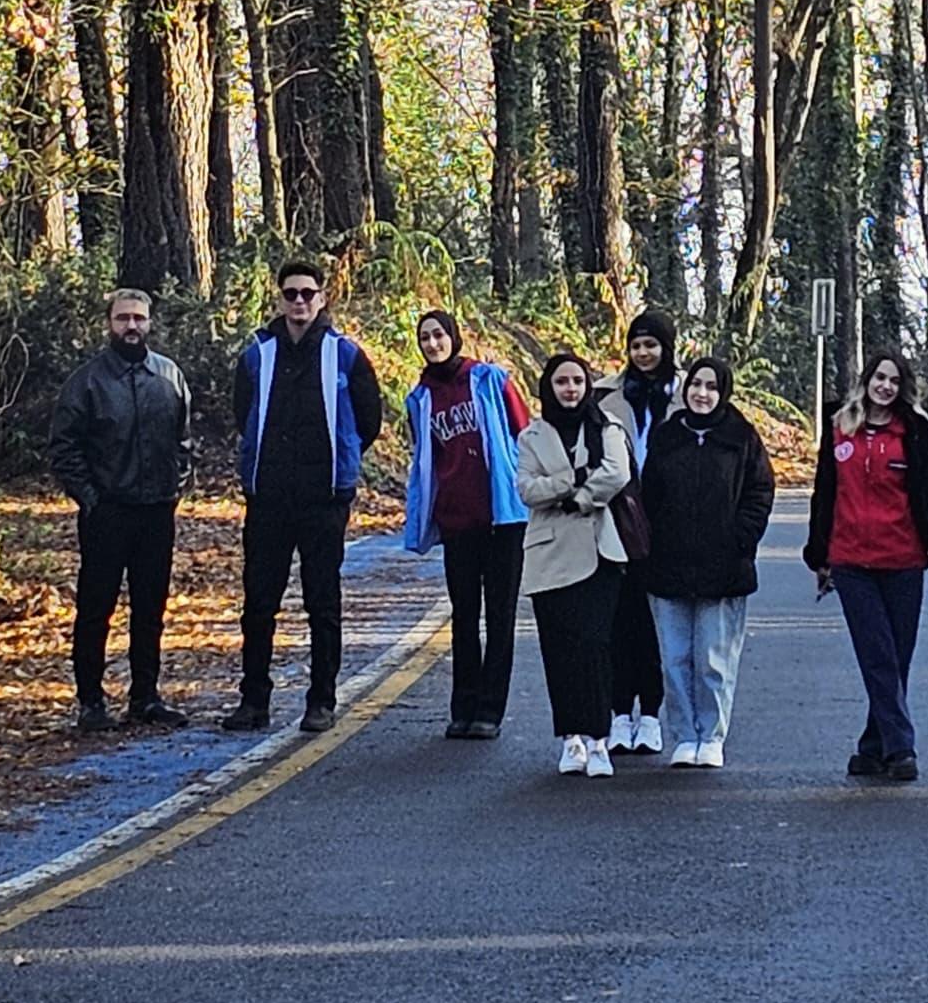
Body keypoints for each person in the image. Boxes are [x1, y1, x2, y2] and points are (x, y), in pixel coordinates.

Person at [218, 259, 385, 736]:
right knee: (258, 603)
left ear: (322, 297)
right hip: (267, 498)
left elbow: (367, 420)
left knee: (322, 602)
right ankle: (254, 702)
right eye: (290, 293)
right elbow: (243, 412)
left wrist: (340, 462)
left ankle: (322, 700)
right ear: (279, 298)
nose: (298, 302)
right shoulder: (257, 354)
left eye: (307, 293)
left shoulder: (346, 355)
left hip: (324, 499)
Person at [804, 348, 928, 784]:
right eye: (880, 378)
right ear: (867, 380)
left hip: (903, 560)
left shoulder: (915, 433)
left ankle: (872, 747)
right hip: (851, 560)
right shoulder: (839, 429)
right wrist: (819, 554)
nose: (885, 386)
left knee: (896, 657)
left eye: (894, 380)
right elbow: (824, 494)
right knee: (877, 654)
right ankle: (901, 747)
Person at [47, 286, 193, 732]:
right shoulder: (87, 381)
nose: (132, 326)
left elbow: (183, 438)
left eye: (139, 319)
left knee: (150, 608)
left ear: (150, 323)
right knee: (97, 608)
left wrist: (176, 487)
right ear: (109, 324)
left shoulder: (168, 376)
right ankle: (91, 702)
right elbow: (63, 447)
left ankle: (145, 697)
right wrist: (91, 499)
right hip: (107, 513)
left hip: (156, 512)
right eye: (123, 318)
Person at [638, 353, 776, 767]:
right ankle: (683, 735)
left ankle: (711, 735)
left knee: (714, 660)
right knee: (676, 658)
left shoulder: (742, 437)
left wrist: (740, 540)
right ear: (685, 388)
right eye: (696, 385)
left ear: (724, 391)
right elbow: (650, 497)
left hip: (724, 568)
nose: (702, 393)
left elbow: (760, 493)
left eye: (712, 386)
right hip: (668, 566)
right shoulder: (667, 437)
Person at [403, 311, 531, 739]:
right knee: (463, 616)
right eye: (425, 338)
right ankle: (463, 706)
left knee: (499, 615)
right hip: (457, 520)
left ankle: (490, 711)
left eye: (439, 335)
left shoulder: (490, 379)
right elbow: (425, 457)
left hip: (502, 517)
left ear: (454, 337)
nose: (434, 343)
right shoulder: (420, 398)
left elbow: (523, 434)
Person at [517, 352, 633, 774]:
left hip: (601, 552)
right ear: (549, 386)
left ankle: (599, 739)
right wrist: (575, 479)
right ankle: (571, 739)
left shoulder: (607, 427)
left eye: (578, 382)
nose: (570, 389)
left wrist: (578, 498)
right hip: (549, 555)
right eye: (562, 382)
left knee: (596, 646)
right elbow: (527, 489)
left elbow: (617, 473)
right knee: (559, 649)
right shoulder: (531, 436)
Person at [603, 307, 679, 755]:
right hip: (620, 522)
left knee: (657, 626)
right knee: (620, 622)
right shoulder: (606, 396)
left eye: (651, 344)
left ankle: (651, 714)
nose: (644, 353)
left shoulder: (691, 391)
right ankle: (618, 713)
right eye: (636, 345)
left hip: (670, 526)